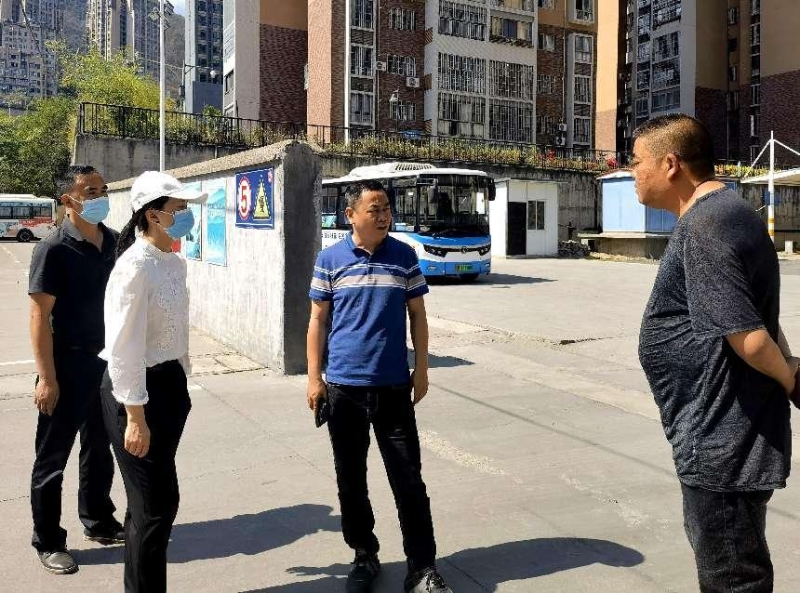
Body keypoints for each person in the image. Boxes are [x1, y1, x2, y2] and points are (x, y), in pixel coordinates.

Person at [635, 114, 798, 591]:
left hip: (722, 445)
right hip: (726, 436)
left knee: (733, 579)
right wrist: (789, 363)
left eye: (637, 161)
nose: (631, 171)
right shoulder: (732, 213)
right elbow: (759, 316)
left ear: (671, 164)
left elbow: (749, 336)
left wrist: (791, 380)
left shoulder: (705, 226)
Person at [306, 180, 452, 593]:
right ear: (351, 215)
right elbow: (317, 320)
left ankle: (421, 567)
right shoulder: (330, 260)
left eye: (387, 208)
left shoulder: (404, 256)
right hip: (344, 389)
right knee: (351, 479)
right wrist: (314, 378)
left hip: (393, 389)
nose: (384, 215)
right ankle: (364, 554)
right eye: (375, 209)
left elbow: (418, 315)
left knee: (409, 480)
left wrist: (421, 370)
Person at [100, 171, 206, 593]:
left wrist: (180, 380)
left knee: (147, 506)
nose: (186, 216)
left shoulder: (173, 262)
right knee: (156, 506)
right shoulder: (134, 267)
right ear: (153, 215)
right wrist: (135, 416)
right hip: (135, 394)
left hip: (168, 386)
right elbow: (123, 347)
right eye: (179, 209)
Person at [28, 164, 124, 575]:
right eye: (90, 191)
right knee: (52, 458)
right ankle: (48, 540)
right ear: (68, 199)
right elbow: (38, 317)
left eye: (103, 189)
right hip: (66, 364)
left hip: (106, 364)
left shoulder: (114, 241)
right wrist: (47, 378)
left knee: (99, 449)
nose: (100, 197)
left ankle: (98, 520)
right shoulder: (53, 248)